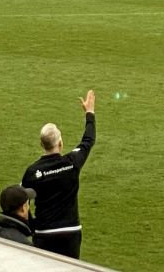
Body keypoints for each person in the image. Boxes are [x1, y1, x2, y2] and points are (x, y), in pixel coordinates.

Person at [21, 89, 96, 259]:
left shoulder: (32, 172)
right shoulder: (72, 162)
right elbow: (88, 140)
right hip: (71, 232)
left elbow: (21, 200)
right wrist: (90, 112)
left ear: (41, 144)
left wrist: (32, 224)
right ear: (60, 143)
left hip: (44, 233)